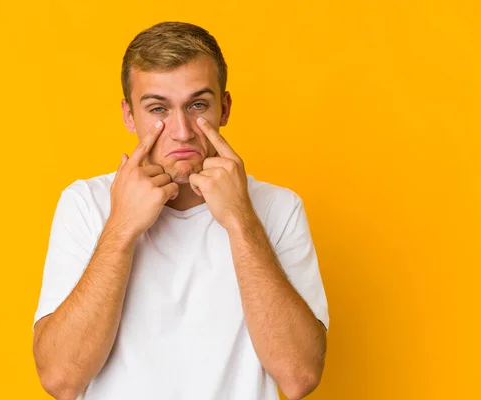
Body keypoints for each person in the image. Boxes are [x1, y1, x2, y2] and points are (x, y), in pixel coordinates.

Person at [32, 21, 329, 400]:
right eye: (158, 108)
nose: (183, 131)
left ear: (224, 108)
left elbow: (299, 377)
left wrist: (240, 219)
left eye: (198, 105)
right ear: (128, 115)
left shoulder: (278, 207)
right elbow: (60, 379)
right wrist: (121, 229)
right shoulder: (85, 203)